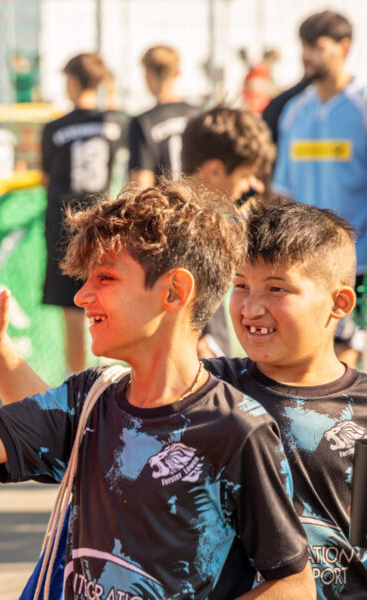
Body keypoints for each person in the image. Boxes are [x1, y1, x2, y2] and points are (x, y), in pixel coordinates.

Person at [0, 179, 315, 599]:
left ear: (174, 291)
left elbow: (293, 583)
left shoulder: (237, 429)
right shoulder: (89, 398)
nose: (82, 296)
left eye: (105, 277)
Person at [203, 200, 367, 597]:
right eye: (240, 285)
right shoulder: (207, 390)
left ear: (339, 304)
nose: (251, 307)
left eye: (277, 288)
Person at [271, 10, 367, 367]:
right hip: (306, 265)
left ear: (344, 47)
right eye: (304, 47)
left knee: (344, 357)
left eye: (316, 47)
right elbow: (283, 194)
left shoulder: (362, 107)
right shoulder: (294, 111)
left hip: (359, 265)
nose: (306, 56)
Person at [40, 52, 129, 374]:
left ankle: (77, 381)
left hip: (64, 220)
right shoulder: (117, 122)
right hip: (101, 219)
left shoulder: (54, 127)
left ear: (73, 82)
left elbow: (47, 177)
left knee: (72, 307)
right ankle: (110, 372)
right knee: (109, 296)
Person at [181, 105, 276, 358]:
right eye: (245, 175)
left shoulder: (215, 219)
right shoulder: (183, 232)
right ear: (214, 171)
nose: (250, 184)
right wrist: (200, 341)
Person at [128, 46, 198, 189]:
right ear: (177, 72)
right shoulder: (198, 115)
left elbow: (141, 185)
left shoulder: (143, 122)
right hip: (198, 207)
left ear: (147, 74)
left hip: (165, 208)